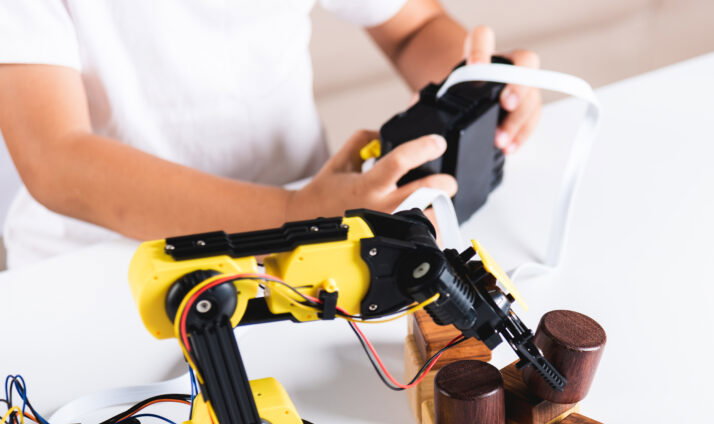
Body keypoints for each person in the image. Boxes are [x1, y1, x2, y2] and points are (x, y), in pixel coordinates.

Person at [0, 1, 541, 268]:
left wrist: (478, 84)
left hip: (308, 233)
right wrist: (293, 214)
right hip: (96, 262)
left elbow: (413, 30)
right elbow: (56, 161)